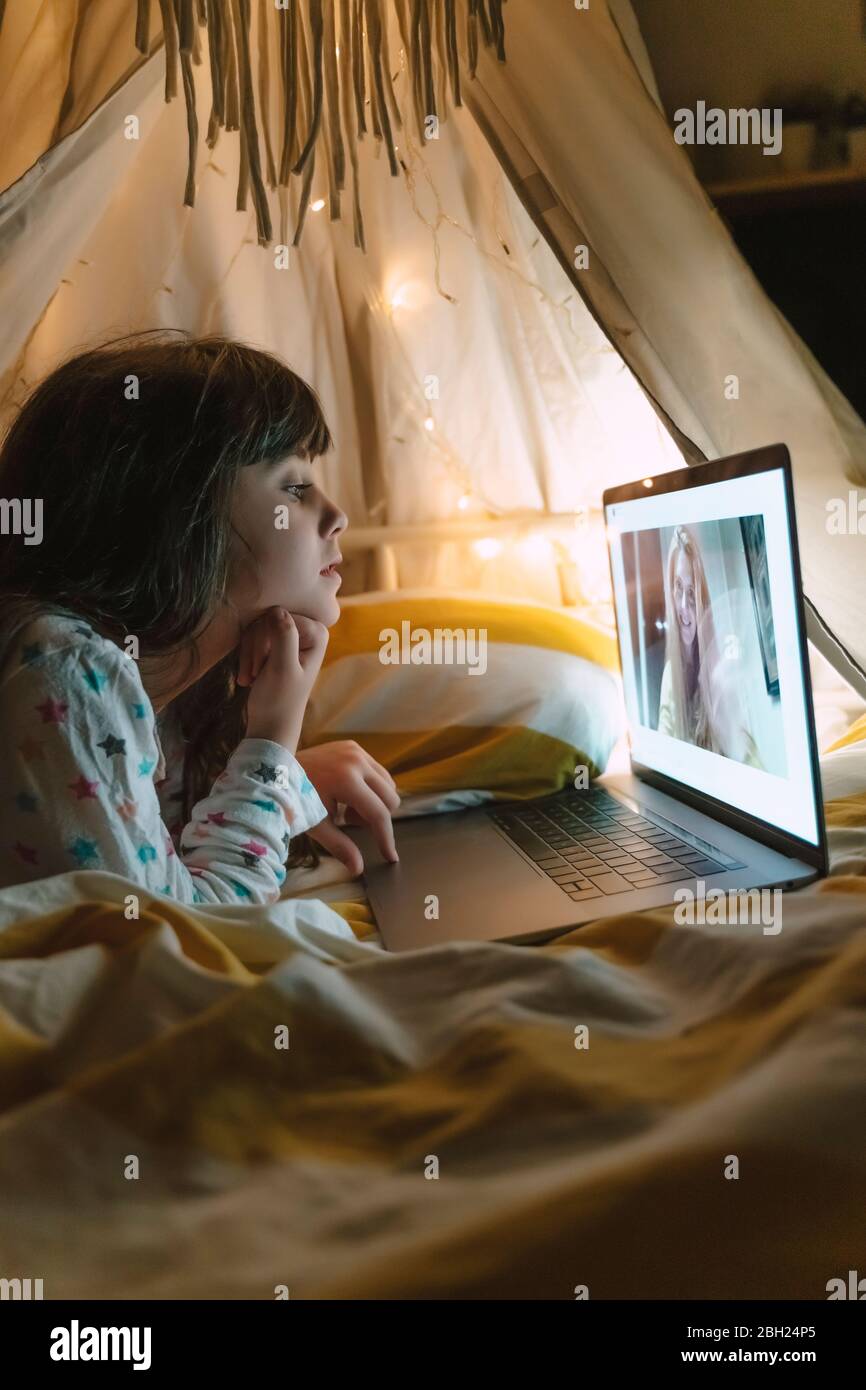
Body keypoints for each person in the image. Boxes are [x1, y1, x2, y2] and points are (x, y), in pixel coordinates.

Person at [0, 331, 400, 903]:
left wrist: (284, 784)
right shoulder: (66, 669)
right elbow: (183, 931)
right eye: (294, 486)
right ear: (178, 513)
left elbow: (152, 854)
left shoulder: (169, 690)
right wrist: (272, 745)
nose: (335, 515)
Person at [656, 525, 762, 769]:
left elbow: (748, 757)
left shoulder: (722, 666)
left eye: (692, 592)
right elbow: (662, 758)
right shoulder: (672, 676)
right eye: (678, 587)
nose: (683, 605)